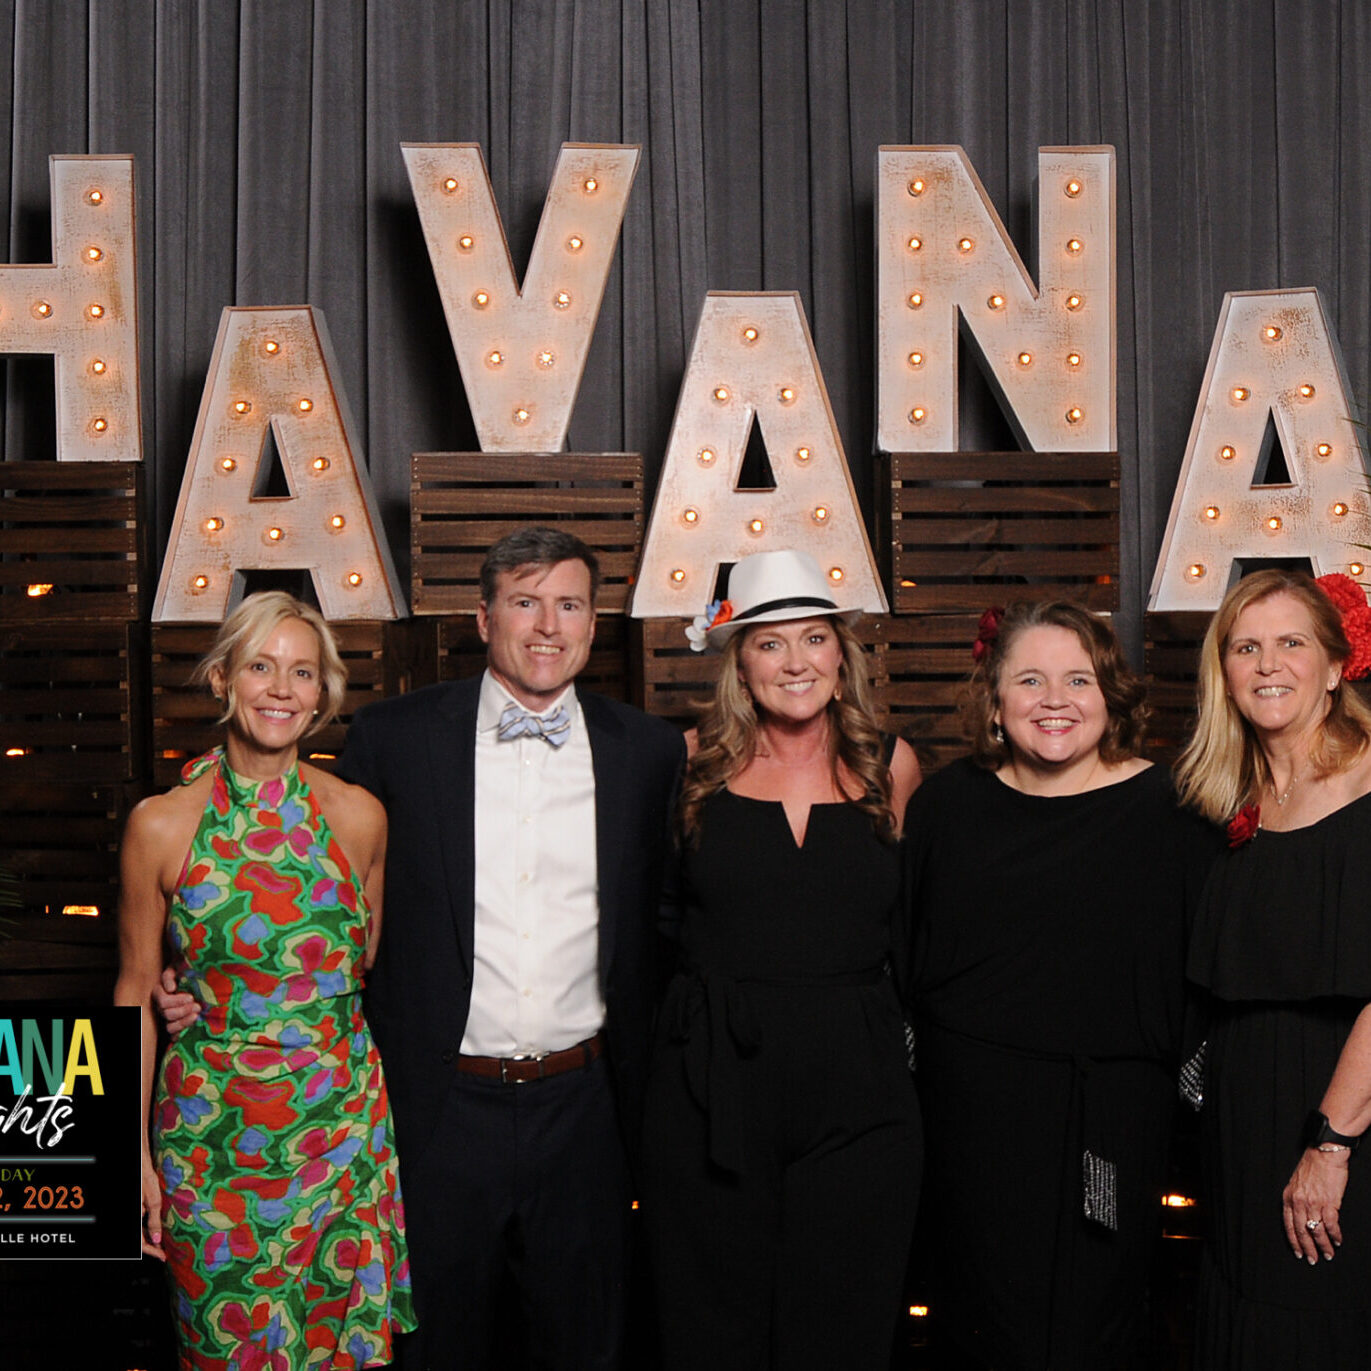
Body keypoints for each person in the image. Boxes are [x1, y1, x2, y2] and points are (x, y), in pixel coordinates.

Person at [340, 526, 683, 1369]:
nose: (548, 626)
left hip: (587, 1110)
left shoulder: (647, 751)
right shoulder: (393, 737)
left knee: (585, 1346)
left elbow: (673, 919)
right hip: (440, 1107)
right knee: (435, 1347)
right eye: (525, 602)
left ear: (593, 623)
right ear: (484, 617)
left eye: (569, 604)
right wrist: (202, 978)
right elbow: (319, 900)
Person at [905, 599, 1219, 1369]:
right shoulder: (945, 805)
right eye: (1029, 680)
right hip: (970, 1127)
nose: (1054, 700)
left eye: (1078, 679)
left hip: (1108, 1126)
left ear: (1111, 694)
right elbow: (904, 962)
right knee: (977, 1323)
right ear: (994, 699)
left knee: (1094, 1322)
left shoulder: (1176, 812)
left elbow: (1205, 981)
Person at [114, 591, 414, 1368]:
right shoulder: (160, 824)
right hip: (209, 1147)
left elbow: (358, 968)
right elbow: (134, 992)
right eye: (260, 666)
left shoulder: (360, 817)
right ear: (222, 678)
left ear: (321, 694)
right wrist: (125, 1154)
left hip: (341, 1133)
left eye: (302, 672)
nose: (281, 688)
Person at [641, 548, 923, 1371]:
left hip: (859, 1085)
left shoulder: (891, 764)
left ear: (841, 654)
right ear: (740, 662)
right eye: (770, 642)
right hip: (711, 1083)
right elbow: (650, 920)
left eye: (813, 638)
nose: (795, 661)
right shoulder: (687, 762)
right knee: (709, 1326)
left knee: (844, 1323)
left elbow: (913, 926)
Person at [1178, 569, 1371, 1365]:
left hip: (1341, 1119)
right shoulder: (1228, 797)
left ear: (1334, 666)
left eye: (1291, 642)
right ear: (1222, 672)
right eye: (1244, 647)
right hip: (1240, 1122)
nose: (1266, 665)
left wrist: (1330, 1144)